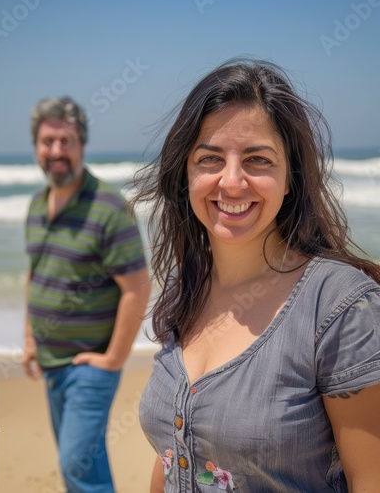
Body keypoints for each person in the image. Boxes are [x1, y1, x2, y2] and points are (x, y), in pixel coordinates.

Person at [132, 59, 380, 492]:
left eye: (257, 160)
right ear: (185, 175)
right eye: (209, 158)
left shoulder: (341, 307)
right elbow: (172, 455)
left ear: (290, 179)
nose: (231, 182)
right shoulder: (185, 291)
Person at [22, 96, 151, 493]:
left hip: (88, 366)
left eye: (66, 141)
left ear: (81, 145)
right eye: (48, 142)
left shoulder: (109, 208)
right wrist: (30, 339)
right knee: (80, 467)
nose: (56, 151)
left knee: (76, 463)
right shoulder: (36, 205)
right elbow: (35, 274)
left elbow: (137, 287)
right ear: (36, 147)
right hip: (51, 363)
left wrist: (112, 360)